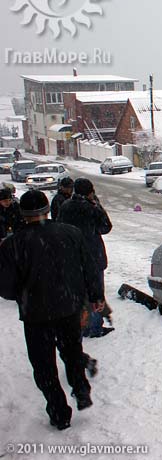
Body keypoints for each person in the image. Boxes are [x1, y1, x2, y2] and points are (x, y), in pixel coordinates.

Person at [0, 190, 104, 430]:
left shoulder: (13, 244)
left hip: (36, 314)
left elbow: (5, 286)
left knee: (43, 364)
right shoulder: (70, 233)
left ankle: (59, 413)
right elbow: (90, 266)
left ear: (23, 214)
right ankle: (80, 388)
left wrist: (23, 294)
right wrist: (96, 296)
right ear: (47, 210)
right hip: (68, 307)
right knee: (71, 351)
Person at [57, 179, 113, 337]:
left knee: (78, 293)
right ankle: (94, 326)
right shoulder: (92, 208)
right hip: (92, 255)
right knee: (95, 292)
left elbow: (59, 227)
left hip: (71, 257)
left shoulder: (65, 206)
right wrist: (97, 206)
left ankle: (80, 324)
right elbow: (106, 227)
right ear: (90, 192)